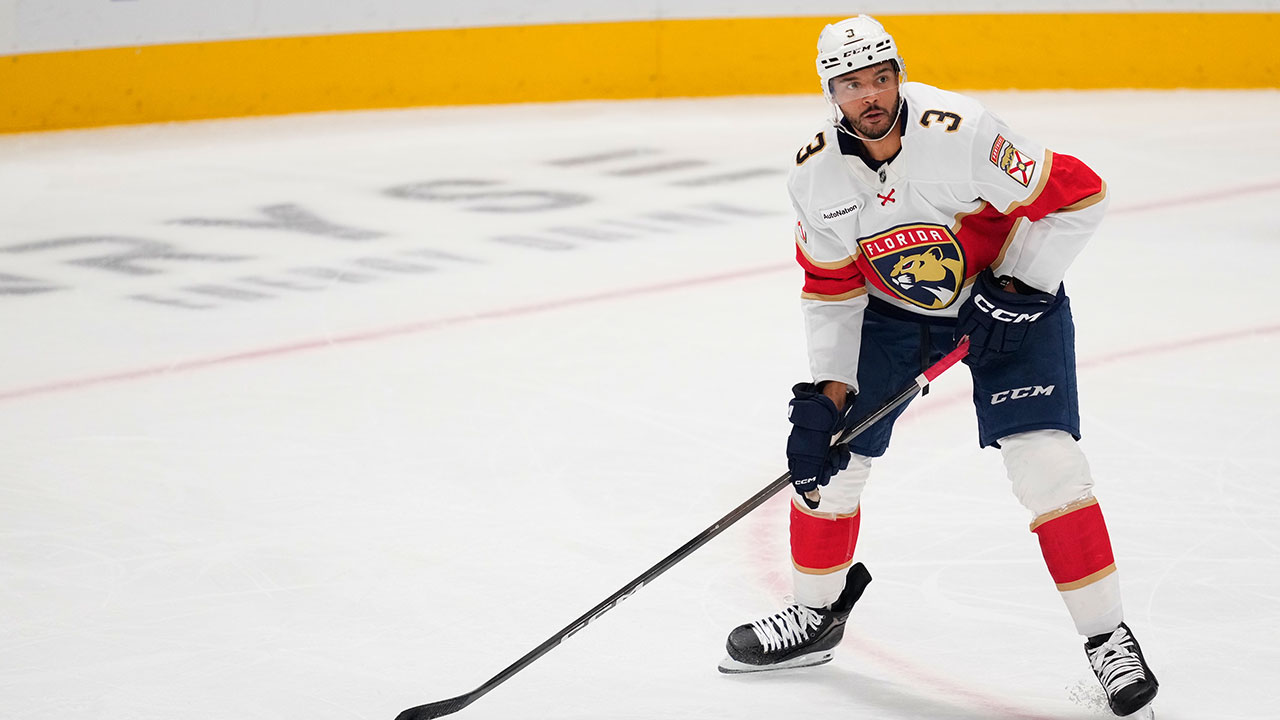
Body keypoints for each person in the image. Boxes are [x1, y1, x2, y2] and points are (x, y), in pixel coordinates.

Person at [717, 15, 1158, 718]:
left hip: (1011, 304)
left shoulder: (965, 131)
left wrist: (1018, 285)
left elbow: (1080, 194)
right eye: (853, 83)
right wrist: (829, 394)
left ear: (898, 74)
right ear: (831, 91)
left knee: (1047, 464)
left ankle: (1109, 639)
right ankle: (813, 616)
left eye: (881, 77)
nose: (871, 95)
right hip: (896, 317)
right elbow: (831, 288)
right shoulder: (813, 175)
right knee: (831, 461)